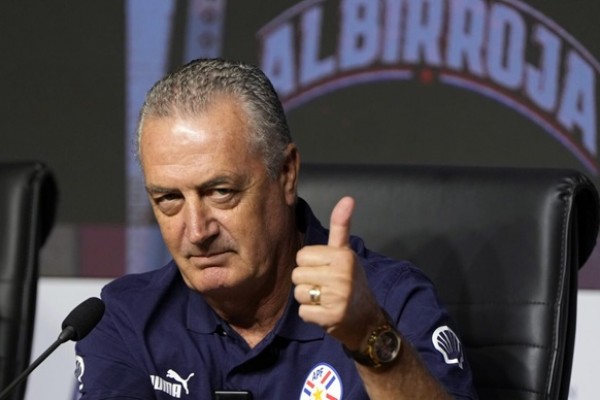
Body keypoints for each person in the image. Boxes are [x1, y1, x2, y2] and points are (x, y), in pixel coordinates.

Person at [75, 58, 478, 399]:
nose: (196, 231)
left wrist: (368, 336)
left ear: (286, 174)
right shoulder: (126, 321)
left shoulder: (391, 302)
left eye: (220, 192)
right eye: (169, 199)